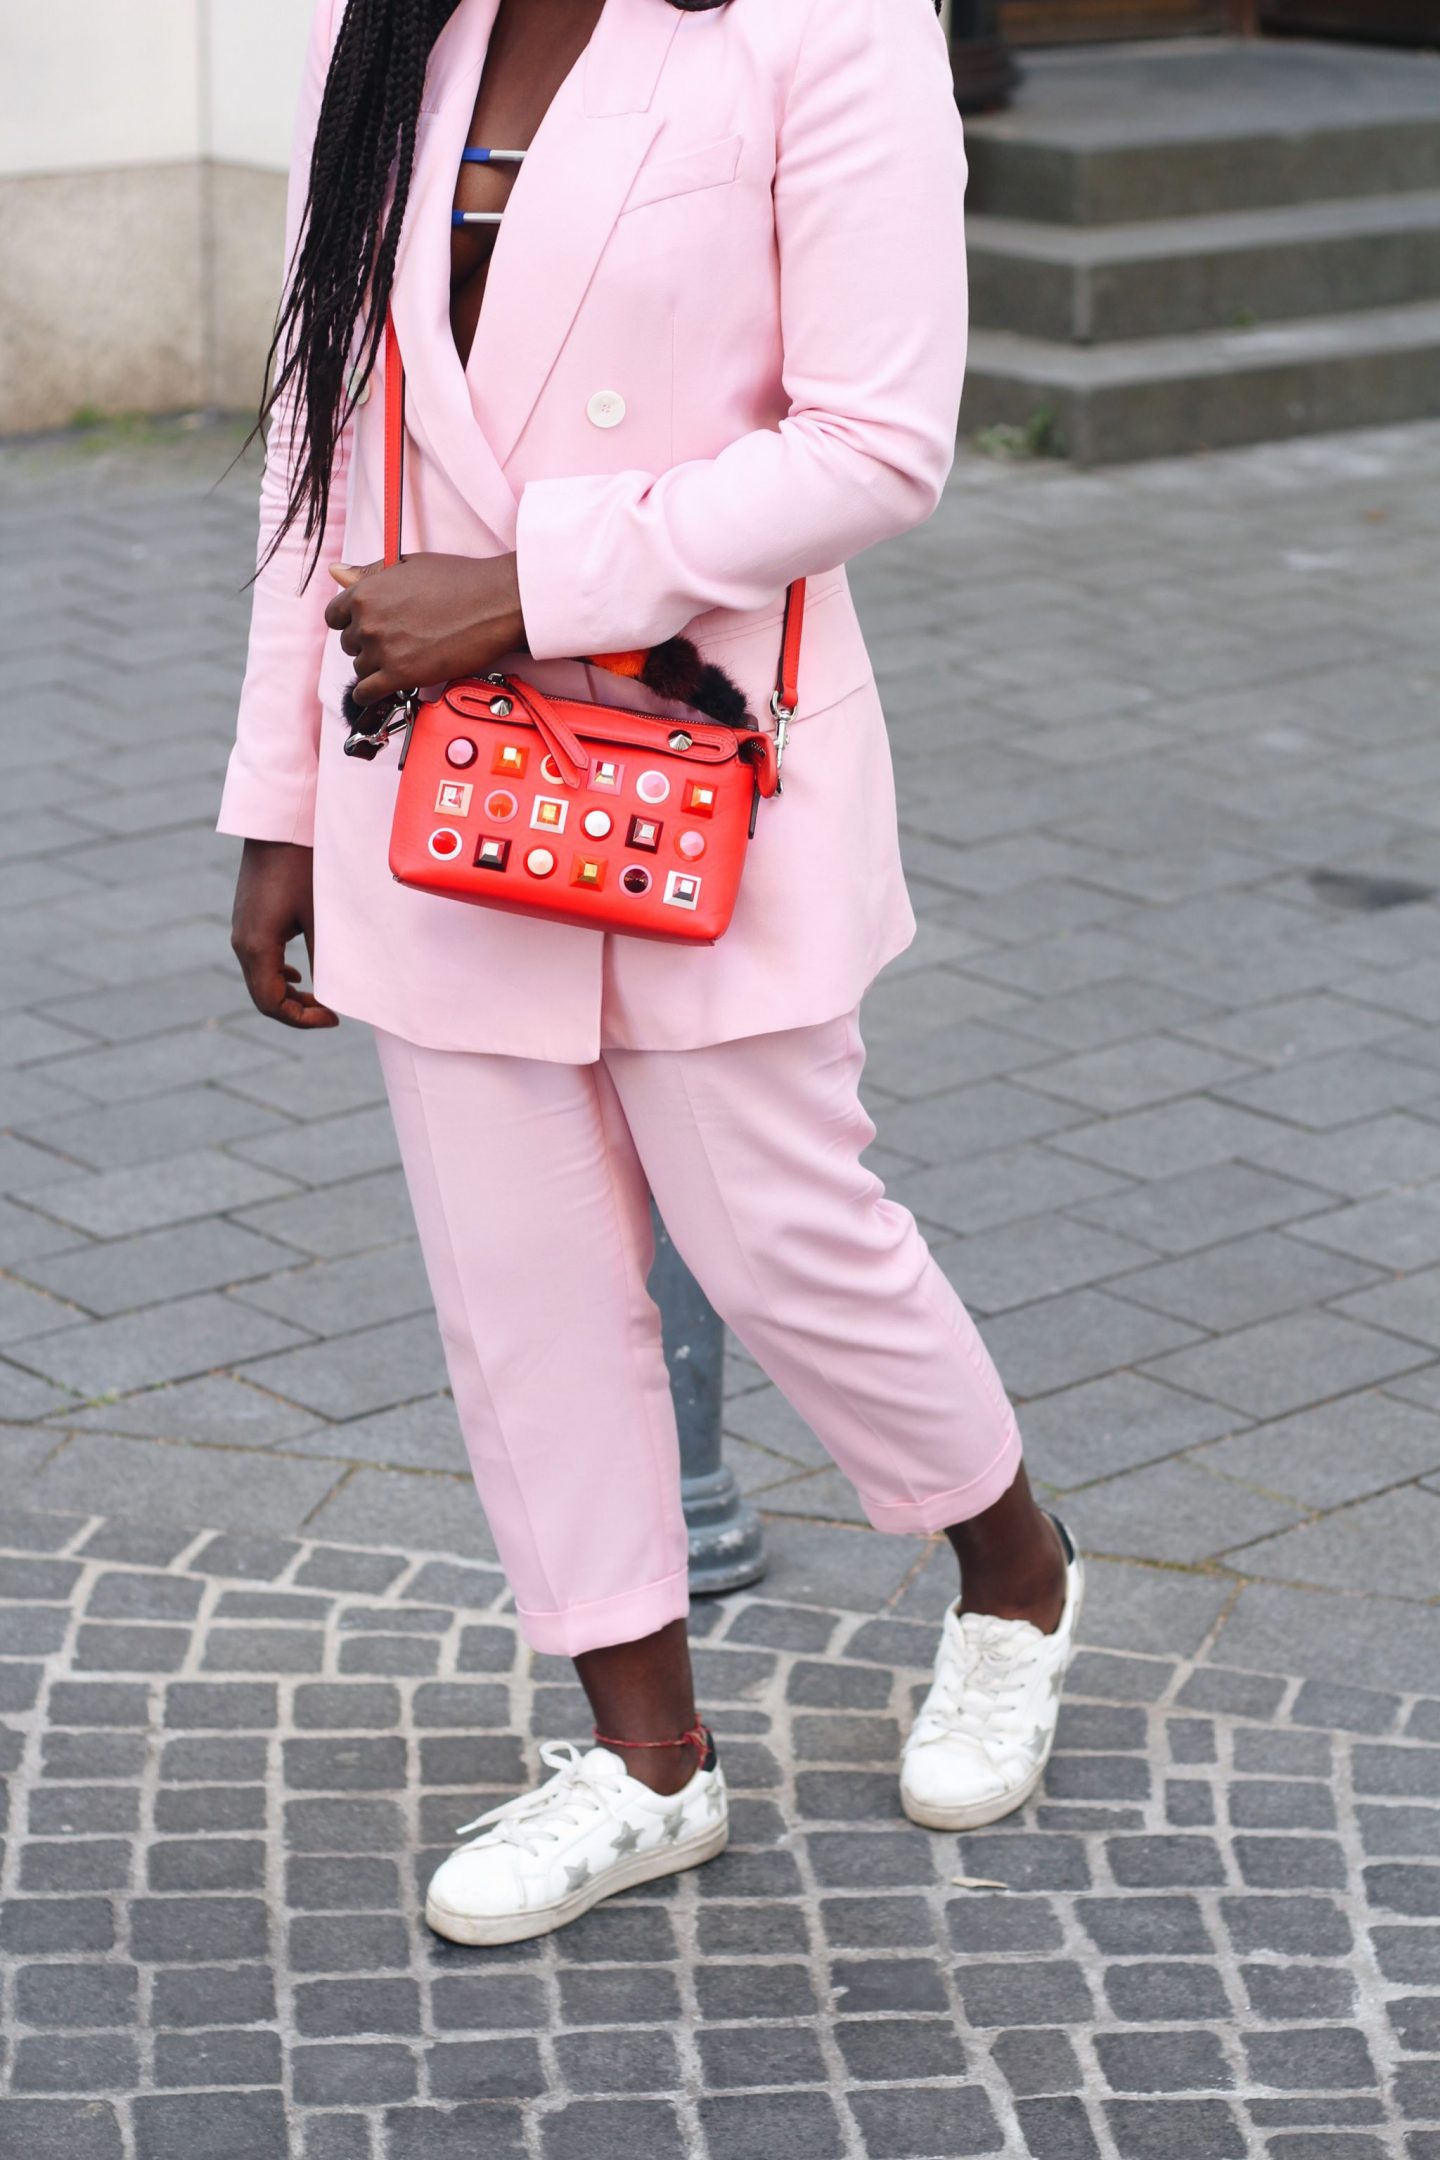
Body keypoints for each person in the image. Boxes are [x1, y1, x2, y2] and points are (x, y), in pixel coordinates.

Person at [221, 0, 1082, 1950]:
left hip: (707, 759)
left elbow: (879, 441)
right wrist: (277, 792)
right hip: (429, 778)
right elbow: (320, 436)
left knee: (790, 1237)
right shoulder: (387, 32)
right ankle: (643, 1760)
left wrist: (533, 581)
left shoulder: (829, 25)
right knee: (519, 1285)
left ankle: (1015, 1579)